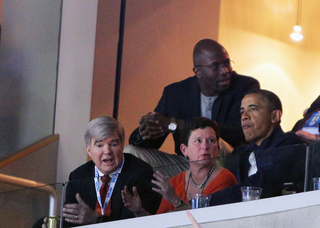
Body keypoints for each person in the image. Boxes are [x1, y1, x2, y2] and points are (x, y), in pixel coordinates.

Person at [129, 39, 260, 156]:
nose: (225, 71)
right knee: (131, 151)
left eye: (227, 63)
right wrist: (146, 130)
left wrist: (175, 124)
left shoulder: (245, 86)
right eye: (215, 66)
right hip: (187, 165)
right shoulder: (175, 93)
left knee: (212, 142)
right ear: (198, 72)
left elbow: (238, 133)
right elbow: (155, 137)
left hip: (228, 162)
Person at [42, 116, 161, 227]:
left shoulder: (141, 173)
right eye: (99, 145)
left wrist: (96, 219)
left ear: (122, 146)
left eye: (113, 144)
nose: (107, 151)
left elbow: (132, 224)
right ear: (88, 150)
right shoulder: (78, 177)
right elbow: (72, 220)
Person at [122, 117, 237, 215]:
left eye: (211, 140)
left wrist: (174, 199)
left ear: (218, 149)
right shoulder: (175, 182)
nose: (205, 146)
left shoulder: (225, 179)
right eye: (198, 141)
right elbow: (161, 223)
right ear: (184, 150)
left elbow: (207, 221)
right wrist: (139, 212)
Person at [208, 89, 305, 206]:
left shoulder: (291, 144)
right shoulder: (239, 154)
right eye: (242, 112)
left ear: (275, 116)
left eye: (253, 109)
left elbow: (263, 183)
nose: (244, 117)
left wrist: (206, 201)